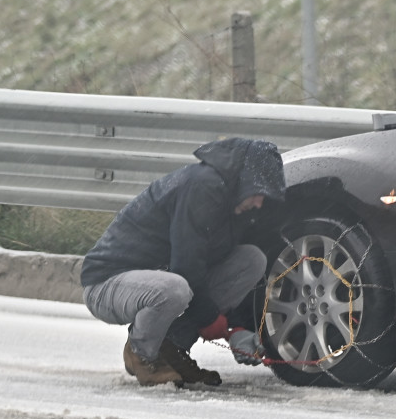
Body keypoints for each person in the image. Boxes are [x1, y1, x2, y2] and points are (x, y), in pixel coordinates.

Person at [80, 137, 285, 386]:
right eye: (258, 192)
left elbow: (210, 270)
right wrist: (216, 323)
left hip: (160, 278)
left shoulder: (234, 204)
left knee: (251, 260)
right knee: (174, 289)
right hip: (108, 283)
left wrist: (238, 327)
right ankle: (141, 353)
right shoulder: (202, 186)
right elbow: (187, 266)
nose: (259, 203)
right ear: (244, 180)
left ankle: (170, 349)